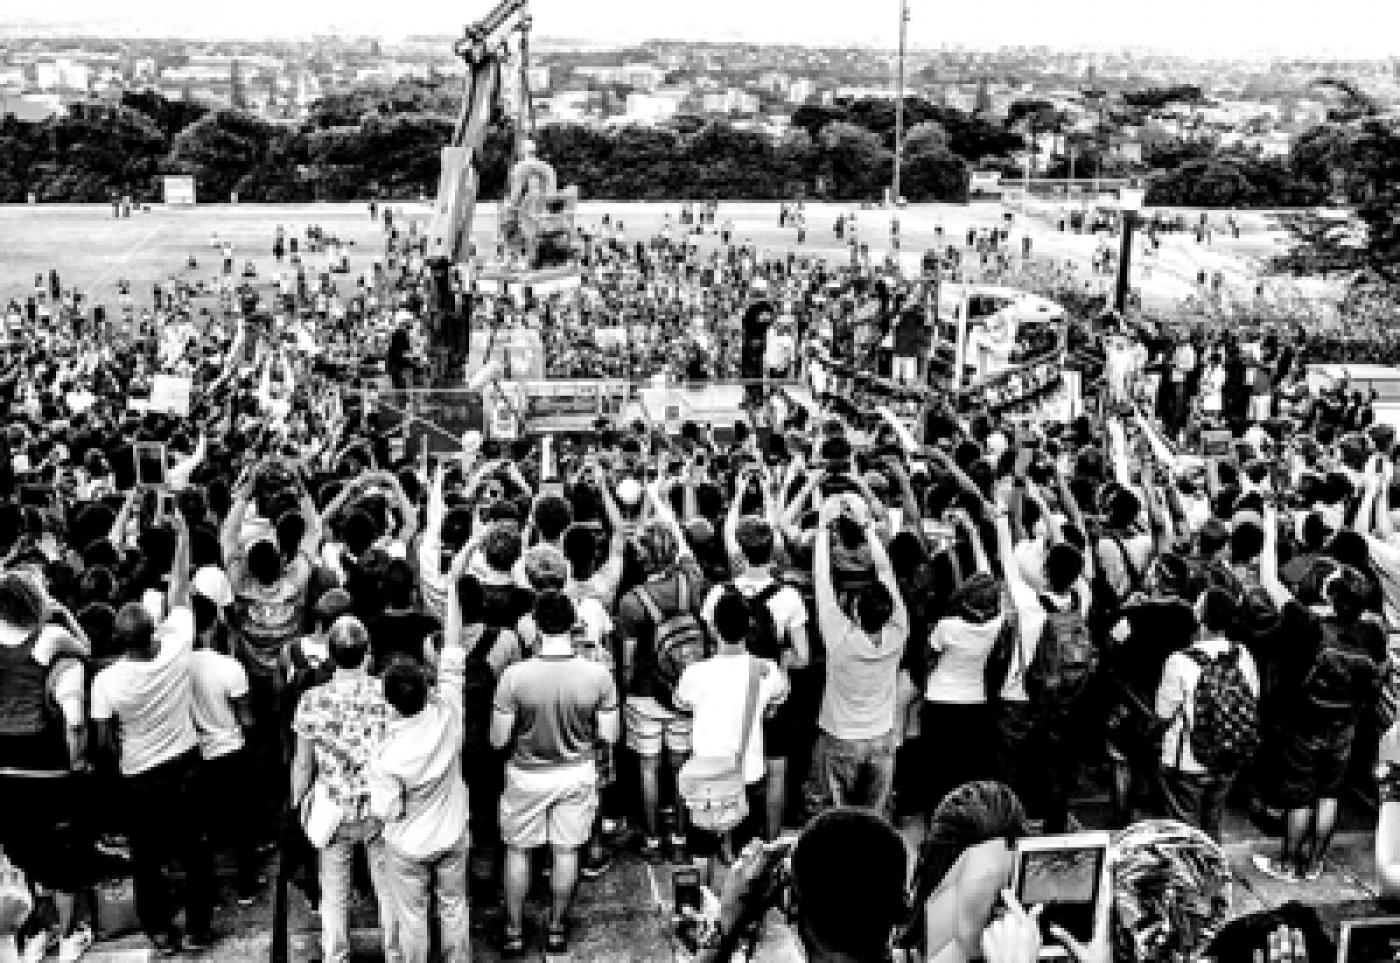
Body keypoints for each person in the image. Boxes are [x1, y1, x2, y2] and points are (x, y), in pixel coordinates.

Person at [89, 518, 214, 955]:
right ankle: (198, 930)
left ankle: (160, 933)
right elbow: (180, 589)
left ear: (118, 640)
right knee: (197, 849)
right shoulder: (178, 648)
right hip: (185, 764)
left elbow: (103, 743)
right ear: (152, 633)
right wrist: (183, 535)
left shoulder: (106, 683)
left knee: (147, 860)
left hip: (139, 776)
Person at [491, 591, 619, 955]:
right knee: (566, 852)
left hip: (526, 775)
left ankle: (514, 932)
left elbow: (498, 740)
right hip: (576, 771)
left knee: (518, 851)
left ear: (535, 622)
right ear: (573, 622)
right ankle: (557, 928)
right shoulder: (597, 675)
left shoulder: (514, 677)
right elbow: (609, 736)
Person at [290, 616, 398, 963]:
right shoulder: (388, 693)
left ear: (330, 655)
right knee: (388, 890)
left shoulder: (311, 700)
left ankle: (336, 955)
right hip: (380, 807)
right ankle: (396, 953)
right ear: (367, 653)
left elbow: (303, 763)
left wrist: (298, 804)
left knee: (333, 892)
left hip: (334, 807)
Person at [368, 605, 472, 962]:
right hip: (452, 831)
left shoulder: (385, 755)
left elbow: (386, 810)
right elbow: (454, 655)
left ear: (389, 700)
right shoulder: (449, 716)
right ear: (426, 690)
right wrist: (454, 582)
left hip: (409, 845)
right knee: (454, 907)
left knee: (412, 919)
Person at [0, 572, 94, 962]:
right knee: (59, 850)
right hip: (42, 753)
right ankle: (69, 934)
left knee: (24, 848)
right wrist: (63, 612)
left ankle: (36, 931)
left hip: (3, 758)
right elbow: (86, 648)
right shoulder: (48, 638)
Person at [676, 589, 789, 876]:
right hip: (746, 773)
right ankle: (736, 912)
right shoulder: (766, 671)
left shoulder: (695, 673)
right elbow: (779, 697)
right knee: (744, 853)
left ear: (713, 627)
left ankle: (703, 908)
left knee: (701, 851)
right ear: (749, 626)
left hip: (706, 774)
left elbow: (680, 701)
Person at [615, 514, 708, 861]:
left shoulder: (632, 602)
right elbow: (689, 556)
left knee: (649, 768)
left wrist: (625, 689)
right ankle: (682, 839)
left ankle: (653, 840)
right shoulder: (692, 584)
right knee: (682, 765)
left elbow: (627, 657)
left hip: (645, 691)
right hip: (685, 688)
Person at [810, 490, 909, 814]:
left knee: (837, 817)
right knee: (875, 818)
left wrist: (824, 529)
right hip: (881, 736)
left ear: (854, 611)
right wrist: (867, 528)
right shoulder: (898, 633)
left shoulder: (839, 638)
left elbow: (822, 579)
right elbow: (886, 572)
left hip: (840, 737)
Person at [1155, 588, 1260, 840]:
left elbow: (1163, 712)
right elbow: (1253, 697)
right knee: (1212, 822)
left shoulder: (1179, 661)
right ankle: (1212, 872)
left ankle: (1189, 874)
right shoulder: (1242, 654)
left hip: (1188, 759)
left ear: (1200, 616)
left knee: (1183, 830)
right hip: (1229, 754)